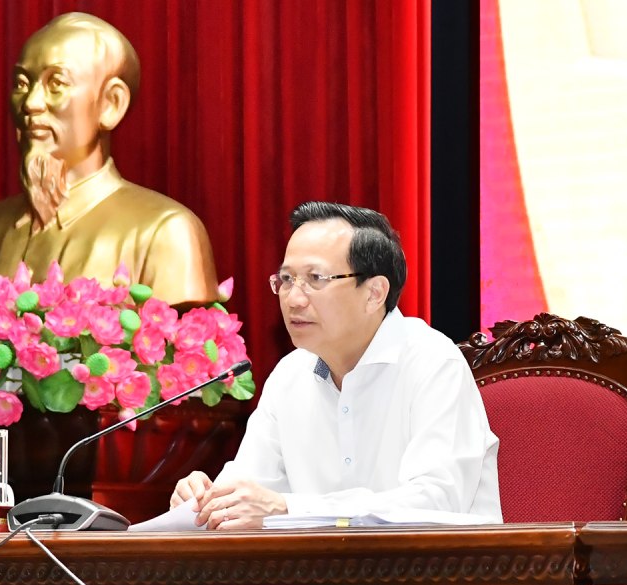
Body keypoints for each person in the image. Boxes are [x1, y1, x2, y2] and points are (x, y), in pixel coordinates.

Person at [171, 201, 502, 529]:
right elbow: (248, 492)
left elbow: (434, 503)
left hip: (439, 575)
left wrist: (287, 508)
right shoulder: (290, 375)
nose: (294, 299)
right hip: (319, 577)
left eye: (316, 278)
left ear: (374, 293)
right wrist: (205, 500)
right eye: (286, 280)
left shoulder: (433, 364)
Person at [0, 12, 219, 306]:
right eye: (22, 84)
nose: (31, 104)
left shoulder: (165, 234)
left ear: (111, 104)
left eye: (56, 83)